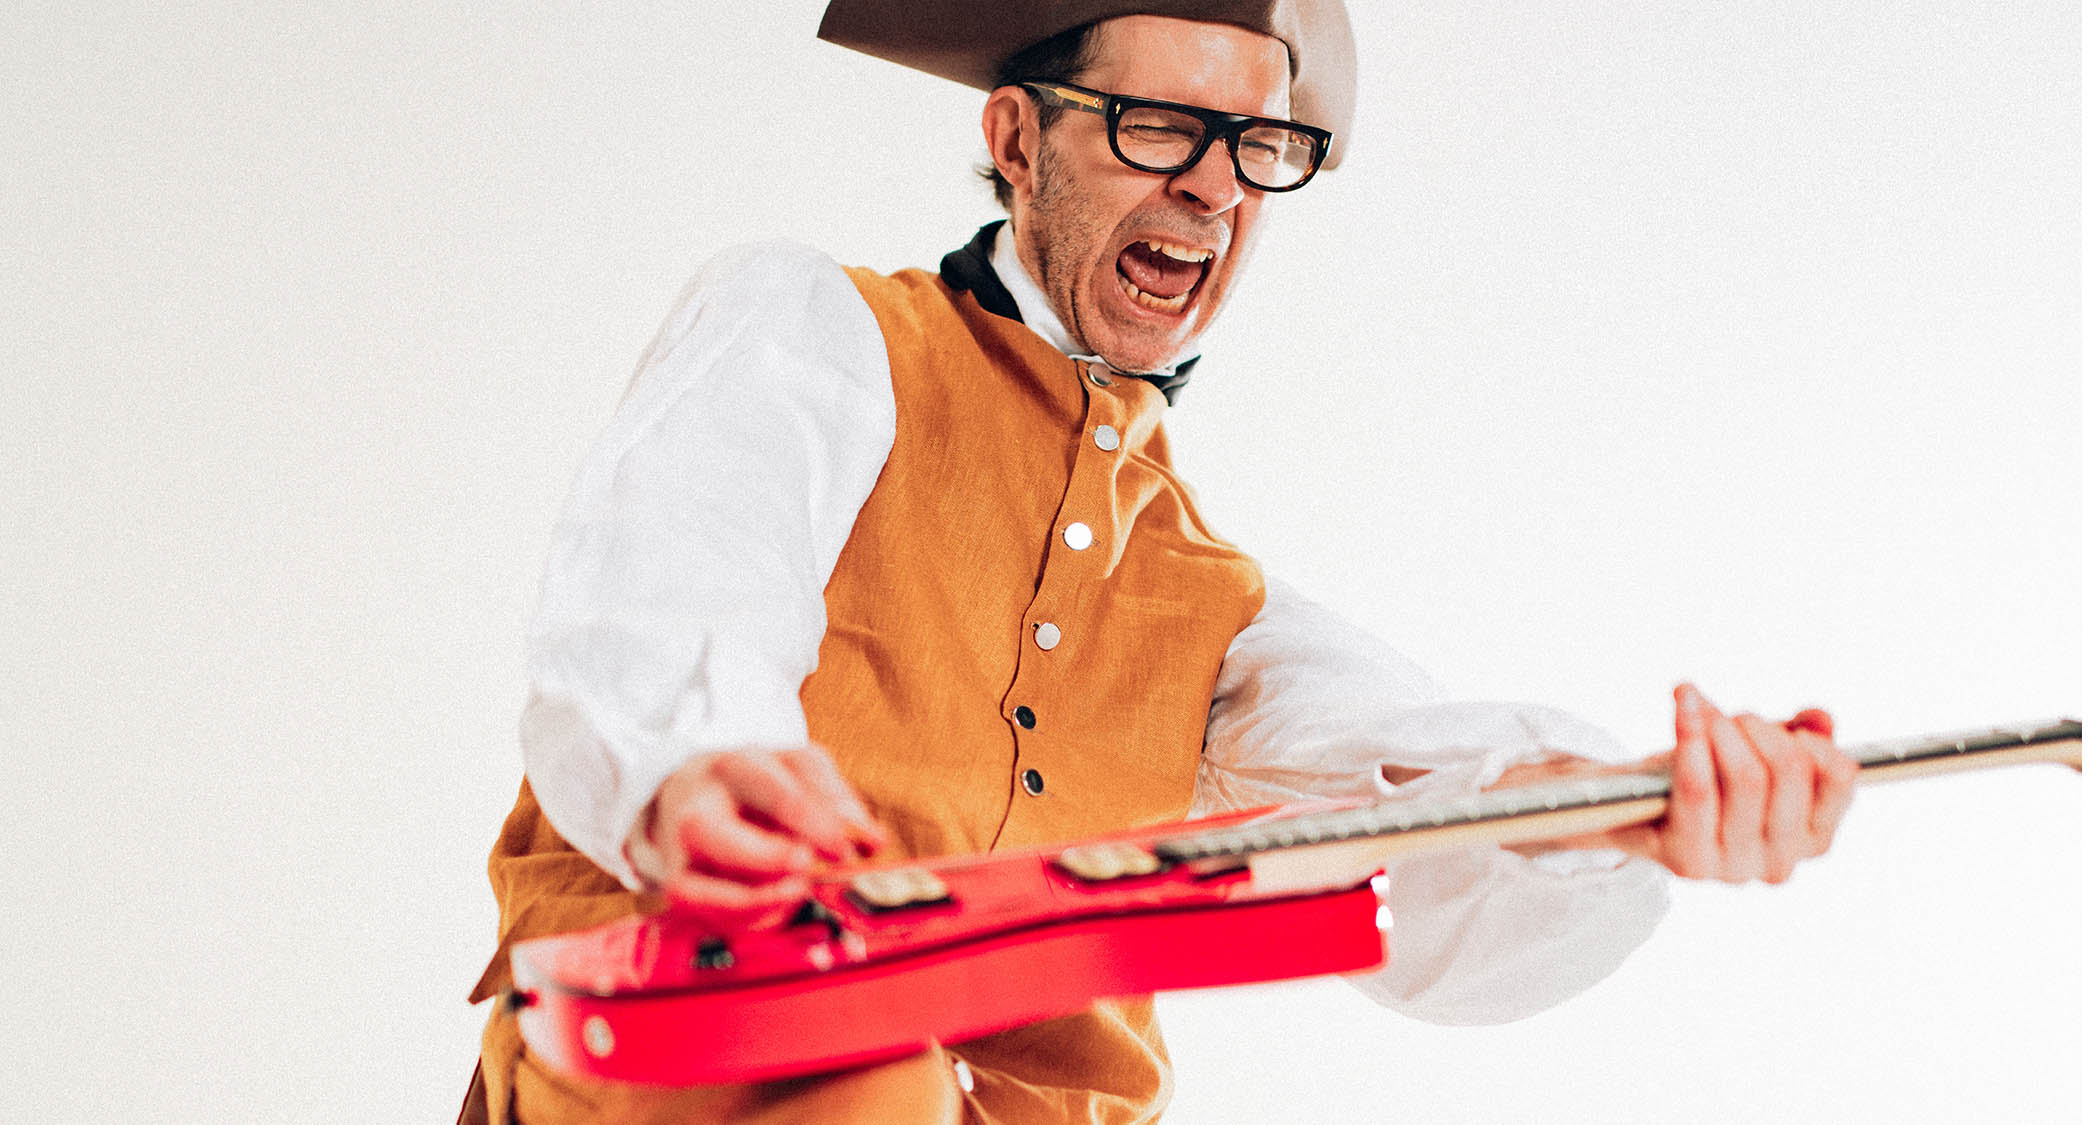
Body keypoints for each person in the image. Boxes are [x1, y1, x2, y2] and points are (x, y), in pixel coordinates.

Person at [465, 2, 1860, 1121]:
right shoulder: (821, 333)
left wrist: (1626, 811)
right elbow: (679, 581)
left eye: (1257, 143)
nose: (1211, 183)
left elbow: (1406, 800)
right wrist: (697, 771)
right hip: (705, 1053)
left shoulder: (1208, 602)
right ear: (1017, 138)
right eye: (1160, 126)